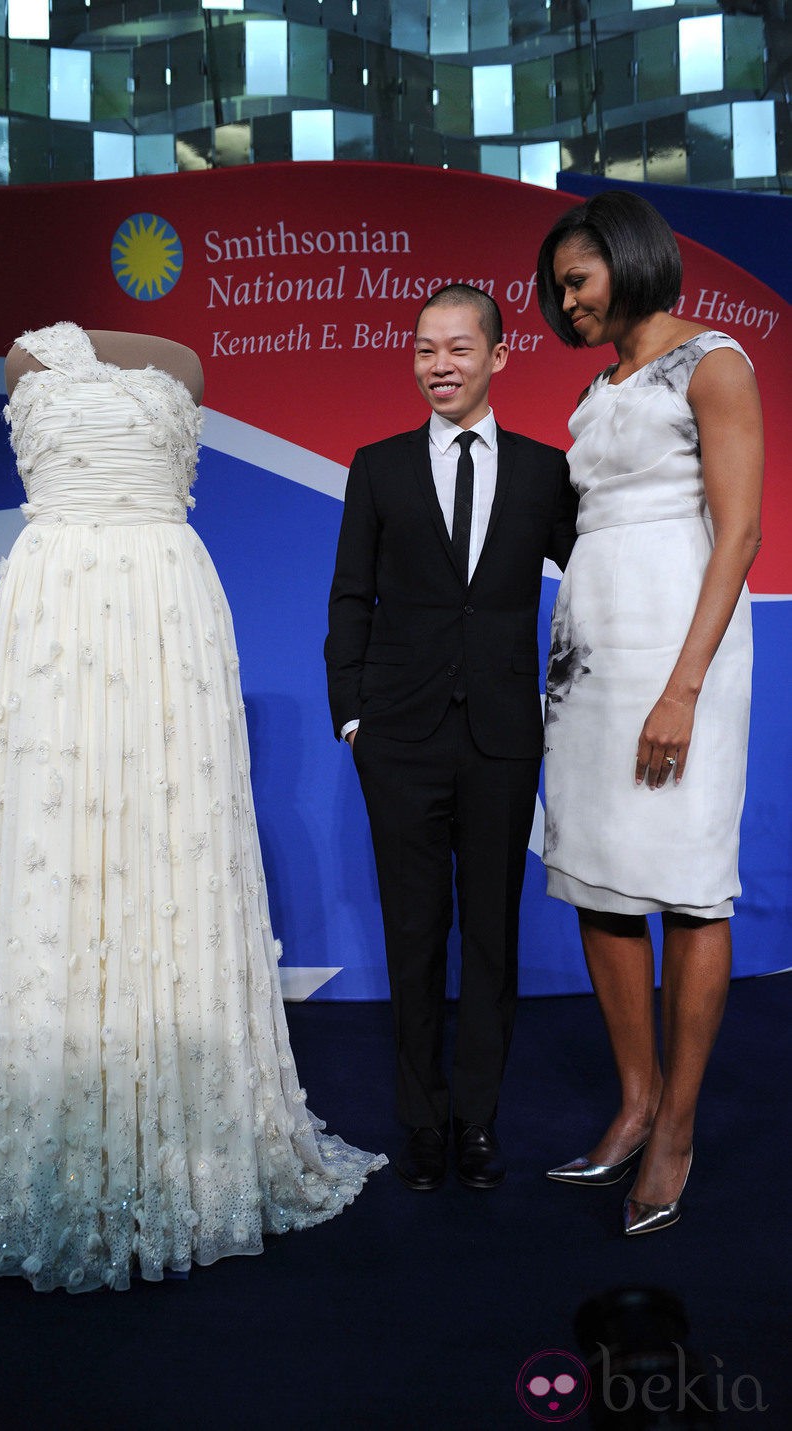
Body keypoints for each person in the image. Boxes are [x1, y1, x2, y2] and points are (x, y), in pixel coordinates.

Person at [0, 322, 385, 1291]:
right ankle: (53, 1127)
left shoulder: (188, 367)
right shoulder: (22, 357)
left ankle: (179, 1136)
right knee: (53, 844)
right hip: (56, 606)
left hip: (167, 607)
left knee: (168, 845)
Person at [535, 192, 763, 1235]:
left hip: (680, 650)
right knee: (599, 875)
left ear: (627, 261)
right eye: (556, 287)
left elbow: (738, 533)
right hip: (589, 658)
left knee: (684, 885)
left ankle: (674, 1127)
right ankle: (630, 1104)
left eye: (575, 279)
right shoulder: (598, 385)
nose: (562, 300)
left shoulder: (711, 361)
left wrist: (681, 686)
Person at [325, 285, 577, 1192]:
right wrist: (351, 714)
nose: (440, 364)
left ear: (499, 358)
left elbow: (595, 574)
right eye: (426, 348)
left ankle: (478, 1121)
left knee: (494, 938)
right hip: (398, 735)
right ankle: (421, 1120)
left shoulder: (548, 470)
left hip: (505, 736)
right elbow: (351, 592)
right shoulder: (379, 465)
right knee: (414, 932)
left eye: (460, 349)